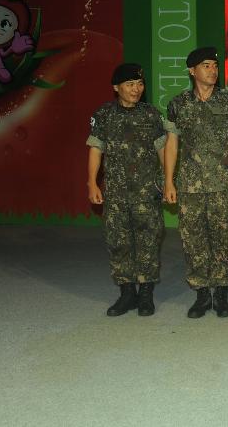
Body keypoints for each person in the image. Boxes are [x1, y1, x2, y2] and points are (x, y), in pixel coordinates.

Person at [163, 46, 228, 319]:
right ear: (192, 71)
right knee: (194, 241)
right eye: (206, 66)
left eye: (215, 65)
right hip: (190, 186)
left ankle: (221, 293)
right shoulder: (178, 104)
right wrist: (169, 181)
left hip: (223, 184)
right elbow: (172, 145)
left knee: (224, 239)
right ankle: (202, 293)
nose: (213, 70)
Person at [87, 63, 166, 317]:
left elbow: (163, 150)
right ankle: (126, 293)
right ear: (116, 87)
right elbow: (96, 149)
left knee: (148, 242)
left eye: (140, 84)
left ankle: (145, 294)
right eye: (130, 84)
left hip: (147, 192)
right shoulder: (104, 115)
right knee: (118, 242)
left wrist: (167, 180)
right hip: (117, 193)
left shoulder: (151, 115)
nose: (136, 89)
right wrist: (92, 182)